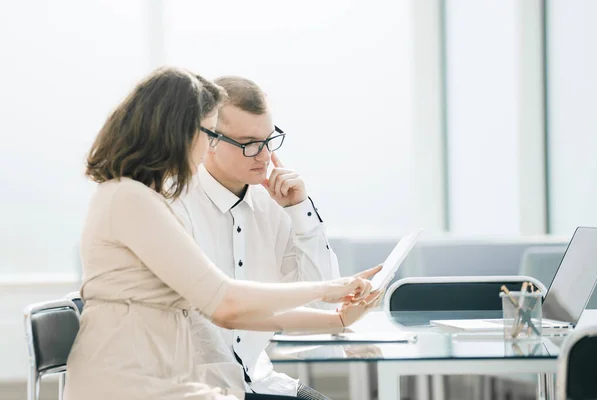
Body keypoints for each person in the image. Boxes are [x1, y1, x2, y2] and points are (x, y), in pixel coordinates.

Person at [64, 66, 381, 400]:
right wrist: (334, 292)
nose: (204, 147)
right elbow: (227, 303)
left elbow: (229, 312)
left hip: (166, 383)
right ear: (179, 132)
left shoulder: (139, 197)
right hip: (134, 386)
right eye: (207, 132)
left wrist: (338, 319)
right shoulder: (132, 199)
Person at [170, 76, 346, 399]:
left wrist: (301, 213)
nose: (264, 156)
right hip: (195, 389)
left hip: (260, 381)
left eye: (269, 140)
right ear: (209, 139)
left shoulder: (277, 205)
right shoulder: (177, 206)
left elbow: (323, 310)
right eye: (249, 143)